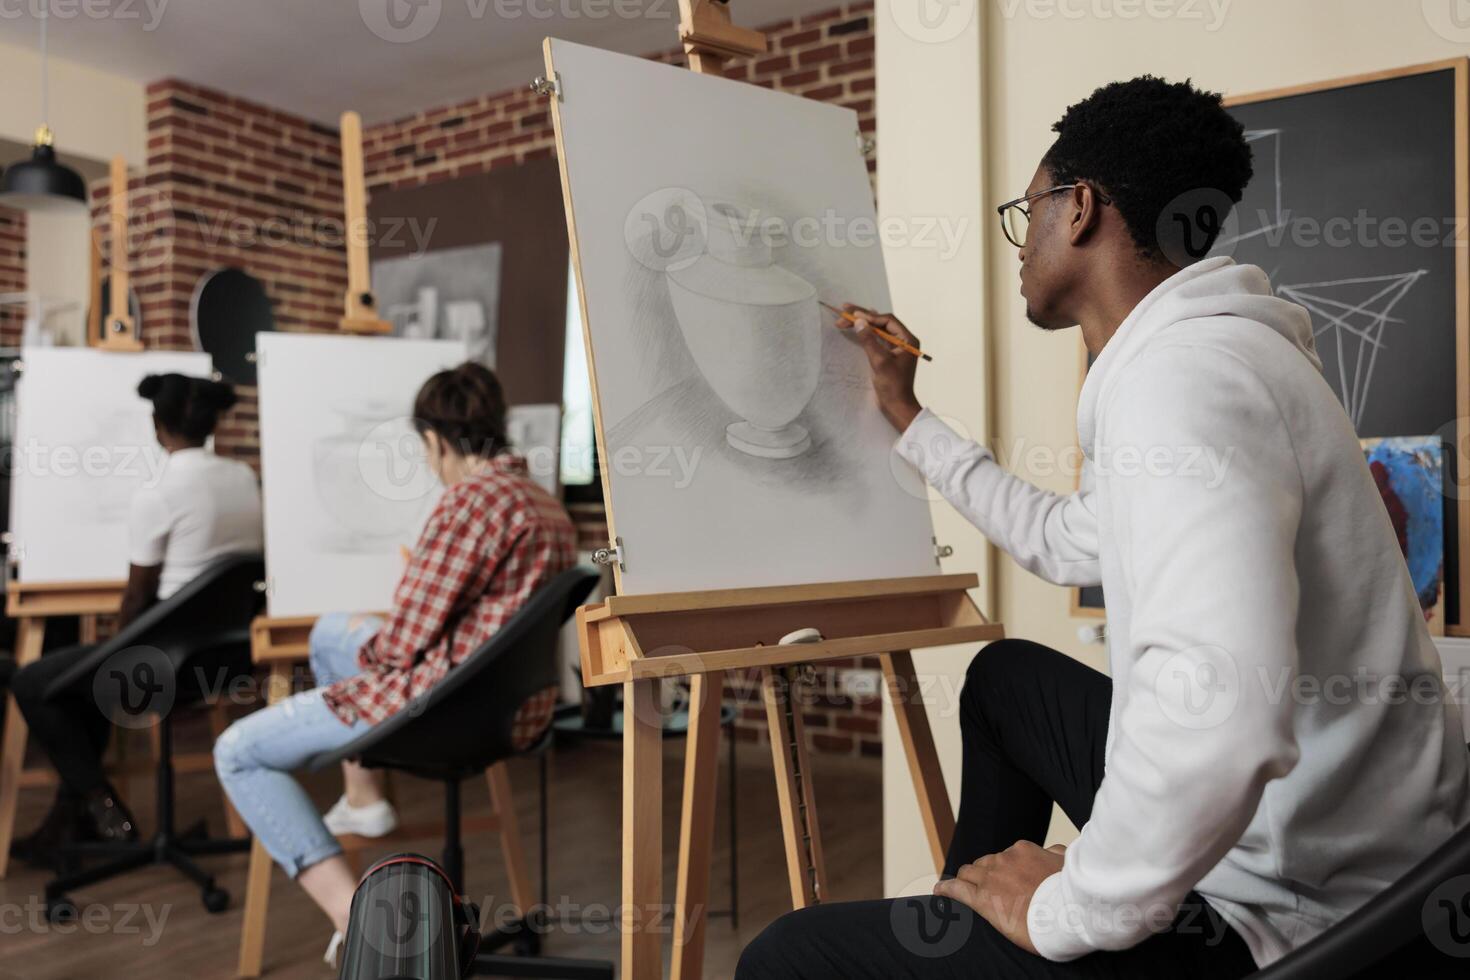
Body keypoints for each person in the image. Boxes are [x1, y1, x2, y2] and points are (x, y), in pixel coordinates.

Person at [737, 76, 1470, 979]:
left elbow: (1226, 715)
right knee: (1005, 682)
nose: (1021, 241)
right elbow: (1067, 538)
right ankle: (963, 927)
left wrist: (1065, 903)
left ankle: (1002, 935)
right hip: (1339, 840)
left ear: (1079, 208)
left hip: (1295, 913)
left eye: (1027, 210)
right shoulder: (1211, 357)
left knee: (785, 955)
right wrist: (909, 416)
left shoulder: (1182, 386)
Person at [213, 362, 578, 964]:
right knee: (336, 630)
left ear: (436, 440)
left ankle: (358, 922)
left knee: (238, 752)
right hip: (508, 713)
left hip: (438, 711)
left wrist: (382, 625)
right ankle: (365, 799)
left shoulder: (470, 504)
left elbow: (400, 647)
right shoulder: (546, 505)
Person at [10, 373, 262, 866]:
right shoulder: (243, 478)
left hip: (163, 665)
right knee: (82, 687)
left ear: (157, 423)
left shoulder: (160, 491)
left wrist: (109, 653)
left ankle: (102, 807)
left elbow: (137, 596)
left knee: (30, 682)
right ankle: (77, 816)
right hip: (227, 660)